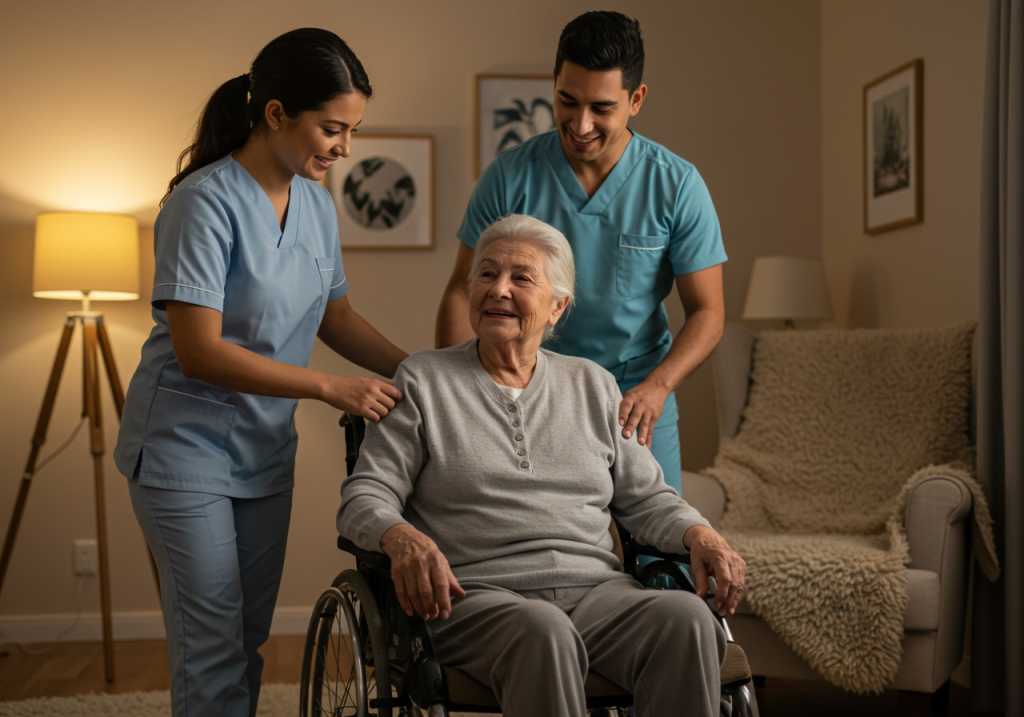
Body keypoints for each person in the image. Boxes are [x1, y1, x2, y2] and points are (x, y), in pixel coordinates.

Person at [340, 215, 745, 717]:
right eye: (486, 275)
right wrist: (400, 536)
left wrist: (702, 536)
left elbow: (647, 499)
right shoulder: (424, 381)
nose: (498, 290)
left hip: (598, 596)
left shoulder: (593, 385)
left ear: (558, 307)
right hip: (476, 600)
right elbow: (364, 497)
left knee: (685, 618)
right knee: (543, 629)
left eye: (521, 278)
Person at [113, 29, 407, 717]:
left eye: (352, 130)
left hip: (264, 451)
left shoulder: (315, 204)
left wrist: (422, 368)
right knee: (210, 645)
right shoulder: (202, 203)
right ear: (276, 114)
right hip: (184, 449)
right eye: (332, 128)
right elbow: (198, 350)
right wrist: (332, 387)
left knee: (245, 639)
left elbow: (335, 317)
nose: (344, 148)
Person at [437, 11, 727, 495]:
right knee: (537, 548)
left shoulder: (676, 184)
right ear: (553, 82)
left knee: (662, 553)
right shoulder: (510, 176)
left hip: (635, 396)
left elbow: (708, 312)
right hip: (529, 391)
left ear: (636, 100)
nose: (581, 124)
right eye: (566, 101)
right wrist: (459, 395)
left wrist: (658, 388)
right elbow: (460, 290)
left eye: (602, 108)